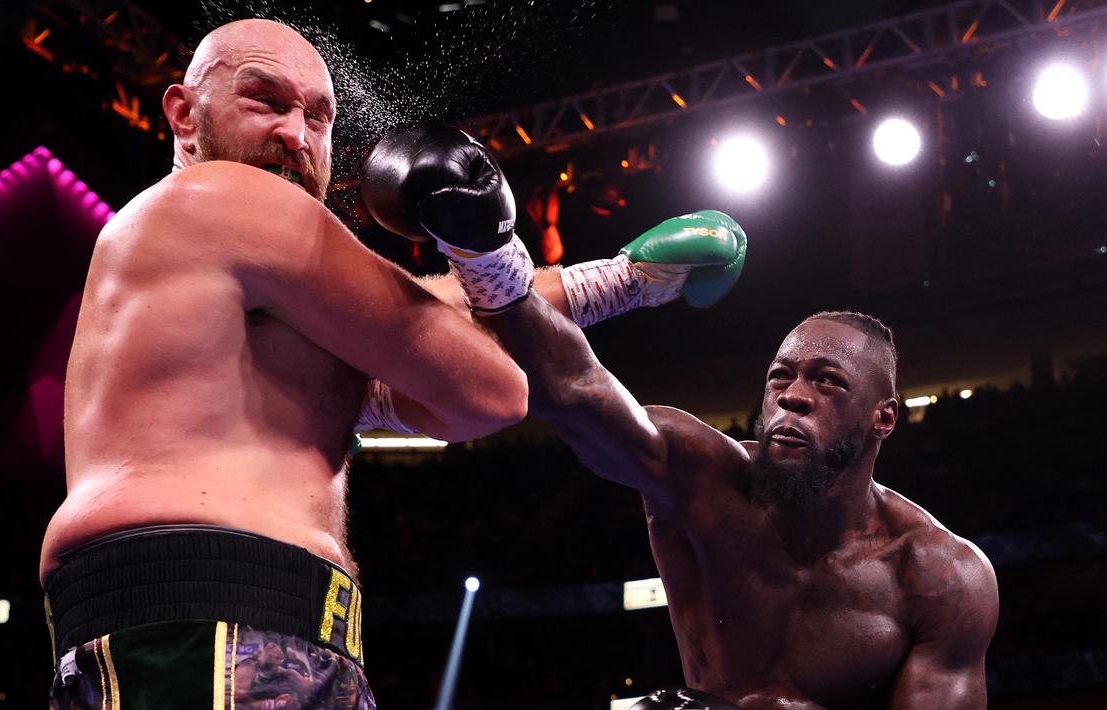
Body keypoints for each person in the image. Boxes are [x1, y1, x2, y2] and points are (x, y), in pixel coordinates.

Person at [366, 125, 999, 709]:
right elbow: (575, 387)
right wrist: (487, 256)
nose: (793, 396)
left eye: (828, 382)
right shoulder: (699, 473)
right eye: (780, 377)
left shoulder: (940, 576)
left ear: (883, 418)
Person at [38, 18, 535, 709]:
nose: (296, 136)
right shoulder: (226, 195)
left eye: (318, 117)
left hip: (220, 625)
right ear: (184, 115)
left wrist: (627, 276)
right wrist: (490, 251)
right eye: (265, 101)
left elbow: (437, 318)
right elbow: (491, 389)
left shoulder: (219, 271)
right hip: (210, 622)